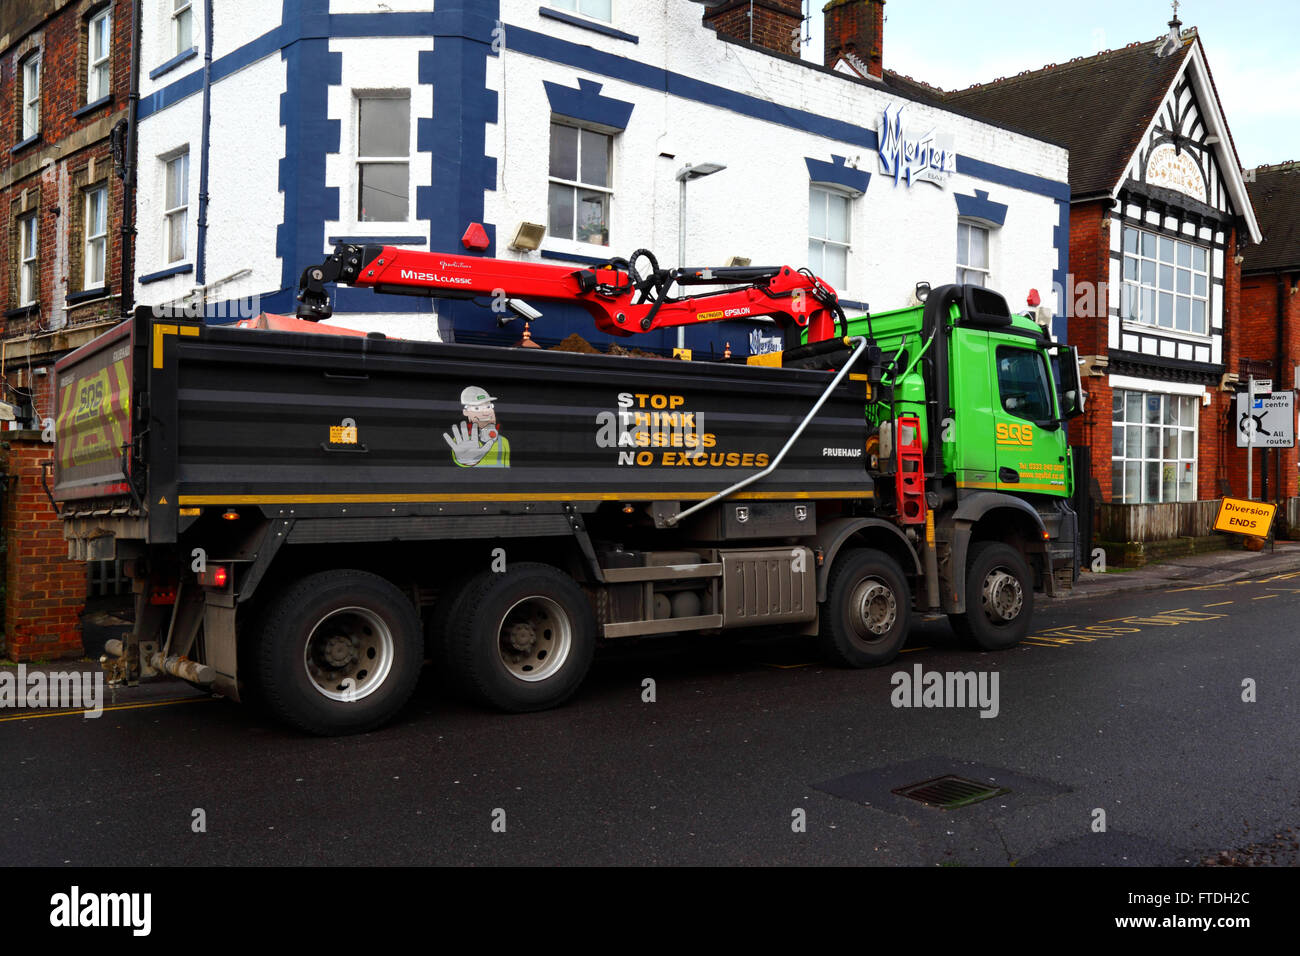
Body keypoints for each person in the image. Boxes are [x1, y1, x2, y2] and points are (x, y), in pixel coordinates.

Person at [444, 386, 511, 467]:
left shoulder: (503, 442)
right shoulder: (460, 442)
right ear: (466, 412)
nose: (486, 413)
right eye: (477, 408)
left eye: (488, 407)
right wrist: (466, 462)